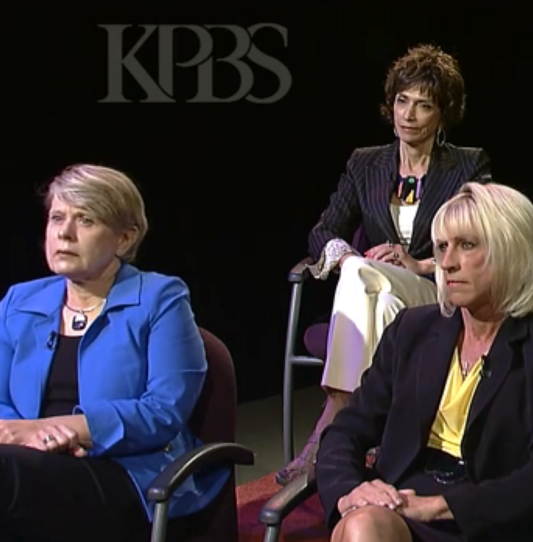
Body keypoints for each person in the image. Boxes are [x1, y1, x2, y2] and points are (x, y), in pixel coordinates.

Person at [314, 182, 533, 542]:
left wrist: (441, 505)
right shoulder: (411, 331)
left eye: (467, 245)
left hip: (488, 517)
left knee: (361, 529)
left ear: (512, 251)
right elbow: (346, 430)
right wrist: (349, 491)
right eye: (442, 247)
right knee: (359, 524)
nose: (447, 263)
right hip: (402, 505)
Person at [276, 43, 492, 485]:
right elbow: (323, 231)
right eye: (401, 101)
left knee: (364, 280)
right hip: (381, 297)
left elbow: (484, 238)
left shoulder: (468, 164)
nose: (408, 115)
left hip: (434, 287)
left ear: (443, 115)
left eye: (424, 105)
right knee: (364, 280)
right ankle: (389, 441)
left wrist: (420, 264)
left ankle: (330, 427)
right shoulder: (365, 163)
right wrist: (351, 259)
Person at [0, 164, 228, 540]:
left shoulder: (160, 298)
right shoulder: (20, 301)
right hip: (26, 462)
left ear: (124, 238)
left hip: (125, 473)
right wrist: (20, 436)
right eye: (57, 217)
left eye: (85, 220)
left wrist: (59, 431)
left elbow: (163, 411)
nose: (64, 233)